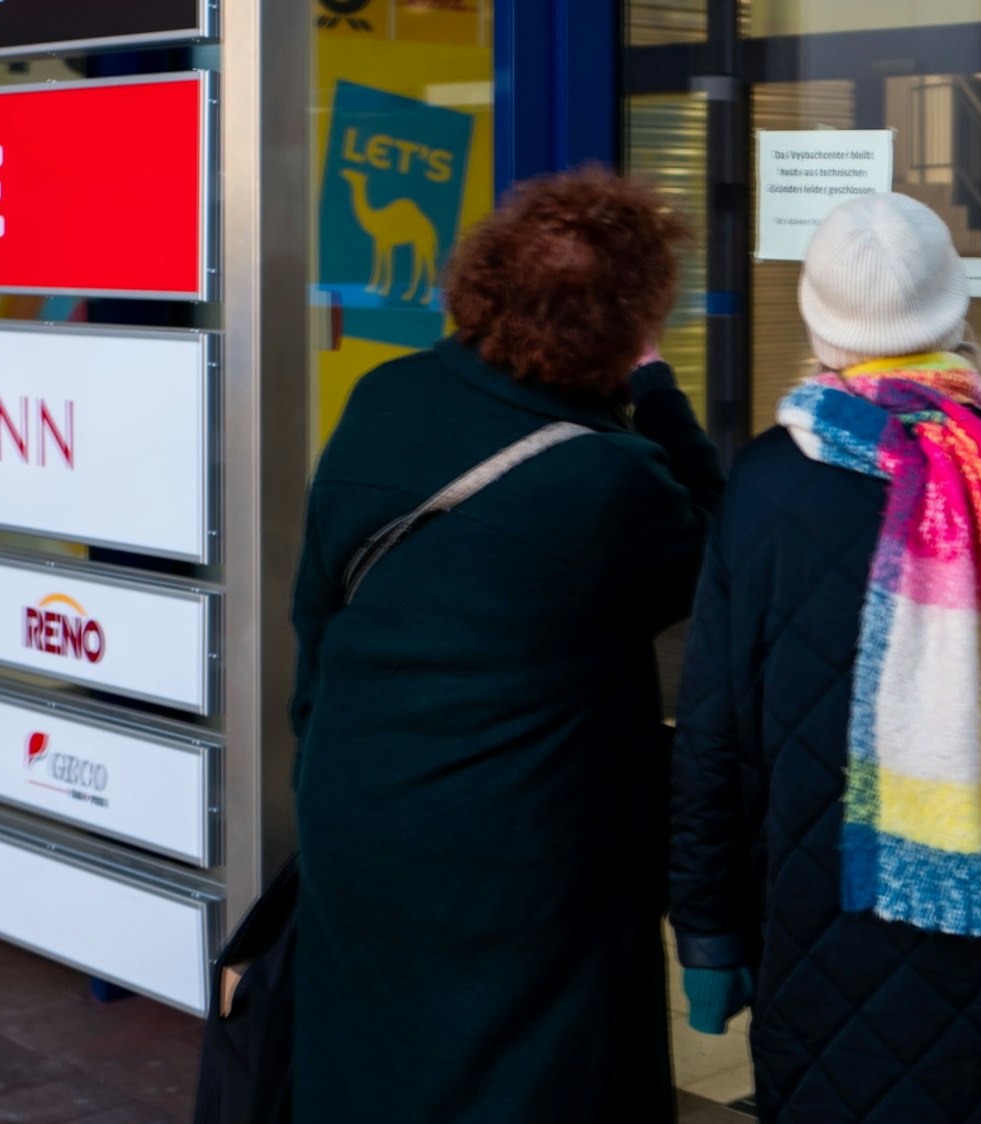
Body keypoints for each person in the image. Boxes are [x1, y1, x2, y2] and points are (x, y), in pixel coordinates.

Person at [668, 193, 981, 1123]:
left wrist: (709, 929)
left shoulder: (769, 481)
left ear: (820, 324)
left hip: (830, 916)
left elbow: (712, 729)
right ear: (952, 315)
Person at [287, 169, 722, 1122]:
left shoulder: (382, 396)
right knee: (532, 1079)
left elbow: (314, 618)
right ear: (626, 322)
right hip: (523, 857)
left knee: (372, 1067)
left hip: (356, 808)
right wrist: (657, 392)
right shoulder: (608, 482)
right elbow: (715, 548)